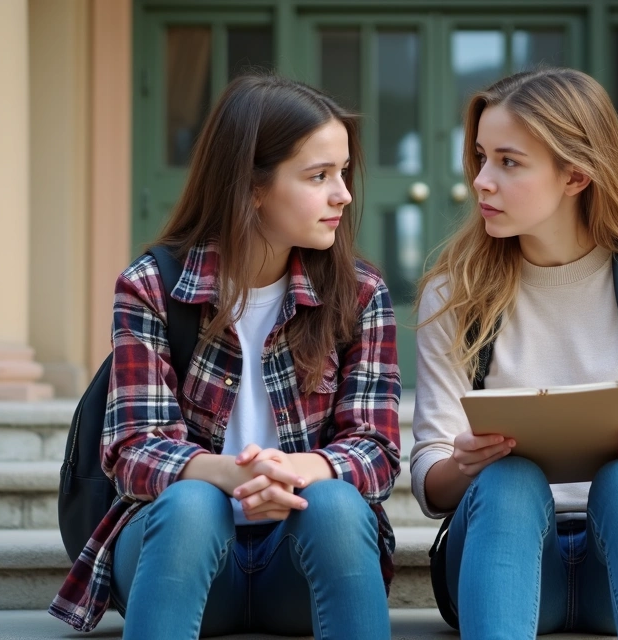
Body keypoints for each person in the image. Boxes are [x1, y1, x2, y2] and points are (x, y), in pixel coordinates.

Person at [50, 74, 401, 639]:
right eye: (319, 176)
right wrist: (237, 476)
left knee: (335, 503)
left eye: (342, 173)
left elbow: (378, 449)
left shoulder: (359, 293)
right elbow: (133, 450)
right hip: (179, 558)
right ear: (252, 187)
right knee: (192, 505)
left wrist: (293, 472)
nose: (344, 195)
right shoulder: (151, 286)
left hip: (301, 563)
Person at [410, 67, 618, 639]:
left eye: (508, 162)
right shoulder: (454, 294)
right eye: (481, 157)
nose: (481, 180)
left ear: (576, 174)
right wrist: (464, 464)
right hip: (508, 563)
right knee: (507, 481)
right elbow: (430, 484)